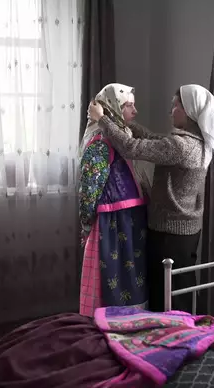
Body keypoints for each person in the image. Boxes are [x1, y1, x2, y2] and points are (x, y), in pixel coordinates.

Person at [88, 84, 214, 312]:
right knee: (180, 289)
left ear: (189, 111)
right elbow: (155, 139)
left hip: (169, 234)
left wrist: (104, 120)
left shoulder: (181, 146)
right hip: (186, 230)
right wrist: (126, 124)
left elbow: (132, 148)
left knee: (166, 296)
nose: (171, 111)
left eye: (175, 106)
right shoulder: (197, 143)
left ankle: (172, 339)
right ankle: (182, 333)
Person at [78, 83, 149, 317]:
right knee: (112, 276)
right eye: (129, 106)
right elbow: (90, 188)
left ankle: (131, 323)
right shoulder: (100, 141)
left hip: (129, 219)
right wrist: (87, 223)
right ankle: (110, 325)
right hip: (112, 221)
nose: (135, 111)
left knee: (131, 278)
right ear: (114, 109)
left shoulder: (122, 136)